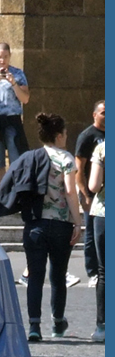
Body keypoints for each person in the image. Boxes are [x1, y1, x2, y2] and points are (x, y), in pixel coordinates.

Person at [19, 114, 82, 342]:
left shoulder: (31, 157)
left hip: (35, 223)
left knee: (35, 276)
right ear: (58, 135)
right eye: (65, 134)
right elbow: (70, 191)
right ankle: (57, 321)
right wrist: (77, 221)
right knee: (58, 275)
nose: (66, 138)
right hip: (60, 223)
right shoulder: (66, 158)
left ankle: (34, 325)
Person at [0, 42, 30, 186]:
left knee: (16, 159)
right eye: (0, 57)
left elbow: (25, 98)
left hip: (12, 120)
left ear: (10, 57)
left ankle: (14, 195)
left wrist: (14, 83)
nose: (3, 60)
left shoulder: (18, 73)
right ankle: (0, 195)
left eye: (6, 57)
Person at [75, 100, 105, 288]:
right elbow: (79, 168)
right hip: (91, 191)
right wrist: (85, 194)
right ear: (95, 114)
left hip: (105, 193)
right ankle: (92, 271)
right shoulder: (87, 136)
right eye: (103, 112)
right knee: (92, 234)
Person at [87, 138, 105, 342]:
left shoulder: (102, 148)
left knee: (104, 271)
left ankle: (103, 326)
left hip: (104, 212)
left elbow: (94, 185)